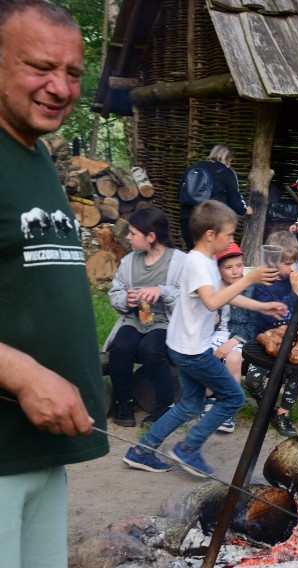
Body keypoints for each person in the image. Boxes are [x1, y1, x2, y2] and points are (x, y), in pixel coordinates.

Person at [0, 3, 108, 566]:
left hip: (39, 453)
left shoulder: (36, 154)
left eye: (71, 72)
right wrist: (23, 374)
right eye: (40, 66)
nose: (60, 87)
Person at [122, 201, 286, 476]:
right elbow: (212, 303)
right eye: (229, 234)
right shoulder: (197, 263)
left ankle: (142, 450)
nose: (232, 240)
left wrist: (262, 307)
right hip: (191, 351)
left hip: (183, 345)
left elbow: (225, 294)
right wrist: (250, 279)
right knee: (233, 398)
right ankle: (188, 448)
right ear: (210, 234)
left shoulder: (206, 260)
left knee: (190, 403)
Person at [104, 208, 186, 428]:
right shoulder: (129, 262)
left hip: (167, 322)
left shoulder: (179, 262)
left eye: (133, 233)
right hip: (135, 320)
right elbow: (115, 293)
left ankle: (164, 405)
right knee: (121, 347)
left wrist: (163, 291)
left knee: (150, 348)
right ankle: (123, 403)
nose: (128, 237)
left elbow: (191, 300)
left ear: (151, 236)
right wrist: (126, 300)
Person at [248, 231, 298, 437]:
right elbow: (274, 316)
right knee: (253, 380)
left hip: (293, 341)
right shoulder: (263, 284)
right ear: (272, 260)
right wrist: (294, 293)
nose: (293, 268)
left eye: (296, 262)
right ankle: (269, 407)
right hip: (266, 341)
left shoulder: (296, 281)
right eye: (288, 263)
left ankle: (282, 413)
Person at [202, 242, 257, 434]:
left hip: (242, 337)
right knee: (205, 355)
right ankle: (210, 399)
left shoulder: (250, 288)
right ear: (218, 269)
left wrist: (232, 343)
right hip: (218, 334)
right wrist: (211, 318)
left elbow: (254, 324)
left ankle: (228, 408)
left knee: (233, 359)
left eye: (239, 266)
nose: (235, 271)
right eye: (228, 267)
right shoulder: (213, 287)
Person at [179, 144, 252, 249]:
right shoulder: (227, 173)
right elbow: (235, 200)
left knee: (194, 253)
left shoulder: (192, 168)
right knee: (212, 258)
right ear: (226, 158)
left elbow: (180, 193)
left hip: (187, 219)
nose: (230, 164)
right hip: (211, 222)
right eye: (230, 161)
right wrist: (245, 210)